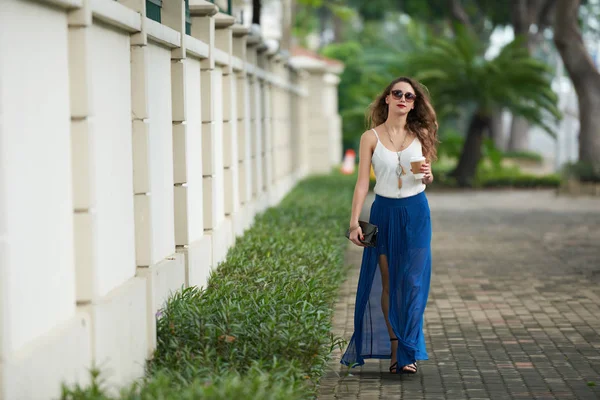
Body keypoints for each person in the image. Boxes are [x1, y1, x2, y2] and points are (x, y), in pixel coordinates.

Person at [341, 76, 438, 375]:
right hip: (383, 212)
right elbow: (361, 185)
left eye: (409, 97)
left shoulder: (420, 134)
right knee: (388, 281)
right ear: (387, 99)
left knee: (412, 282)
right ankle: (397, 349)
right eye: (397, 93)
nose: (403, 99)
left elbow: (427, 176)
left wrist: (427, 176)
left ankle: (408, 348)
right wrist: (354, 222)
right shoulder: (370, 137)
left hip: (416, 212)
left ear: (414, 104)